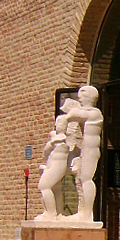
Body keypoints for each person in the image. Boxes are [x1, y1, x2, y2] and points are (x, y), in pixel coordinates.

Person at [34, 97, 79, 221]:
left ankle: (51, 213)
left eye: (61, 123)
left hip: (58, 168)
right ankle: (58, 213)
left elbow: (49, 150)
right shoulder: (55, 140)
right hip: (52, 166)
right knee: (56, 189)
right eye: (57, 123)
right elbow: (45, 152)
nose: (58, 125)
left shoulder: (62, 140)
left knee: (44, 186)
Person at [65, 85, 103, 222]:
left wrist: (68, 114)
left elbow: (78, 115)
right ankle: (81, 211)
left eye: (83, 93)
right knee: (80, 179)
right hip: (83, 150)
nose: (79, 96)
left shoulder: (95, 112)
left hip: (91, 151)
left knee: (86, 179)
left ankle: (87, 214)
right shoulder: (83, 111)